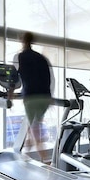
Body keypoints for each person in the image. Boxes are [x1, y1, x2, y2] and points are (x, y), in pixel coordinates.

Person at [13, 32, 53, 163]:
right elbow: (49, 78)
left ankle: (46, 161)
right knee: (32, 127)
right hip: (45, 97)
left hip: (31, 97)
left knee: (34, 129)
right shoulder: (41, 58)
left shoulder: (21, 56)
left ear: (21, 41)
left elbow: (15, 78)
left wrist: (10, 93)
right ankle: (25, 157)